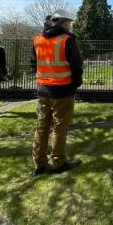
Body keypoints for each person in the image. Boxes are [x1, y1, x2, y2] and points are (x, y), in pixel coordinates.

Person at [31, 9, 83, 176]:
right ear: (64, 23)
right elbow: (76, 66)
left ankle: (39, 163)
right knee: (60, 128)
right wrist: (74, 86)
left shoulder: (37, 39)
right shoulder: (67, 40)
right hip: (62, 91)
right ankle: (59, 162)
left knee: (42, 126)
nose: (70, 25)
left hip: (43, 91)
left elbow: (34, 63)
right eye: (69, 22)